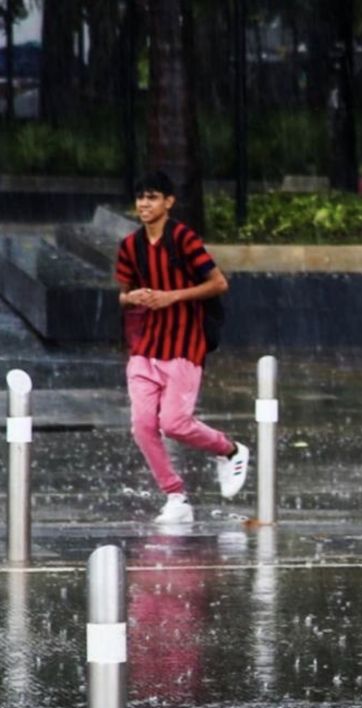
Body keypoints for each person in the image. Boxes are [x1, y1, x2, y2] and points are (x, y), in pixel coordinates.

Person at [115, 170, 250, 524]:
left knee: (174, 423)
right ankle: (175, 495)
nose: (145, 203)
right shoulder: (130, 246)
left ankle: (230, 449)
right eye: (140, 197)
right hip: (145, 348)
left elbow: (219, 283)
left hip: (184, 345)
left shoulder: (184, 240)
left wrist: (172, 296)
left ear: (169, 202)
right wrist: (135, 297)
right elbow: (123, 296)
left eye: (153, 196)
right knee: (143, 426)